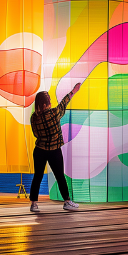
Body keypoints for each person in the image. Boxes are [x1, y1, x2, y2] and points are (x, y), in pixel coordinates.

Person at [29, 83, 82, 212]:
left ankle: (33, 204)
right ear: (44, 104)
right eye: (49, 101)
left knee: (38, 176)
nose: (51, 102)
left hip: (39, 150)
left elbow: (35, 134)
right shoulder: (53, 113)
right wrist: (73, 91)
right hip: (54, 150)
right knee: (59, 176)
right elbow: (64, 103)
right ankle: (67, 202)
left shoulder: (34, 118)